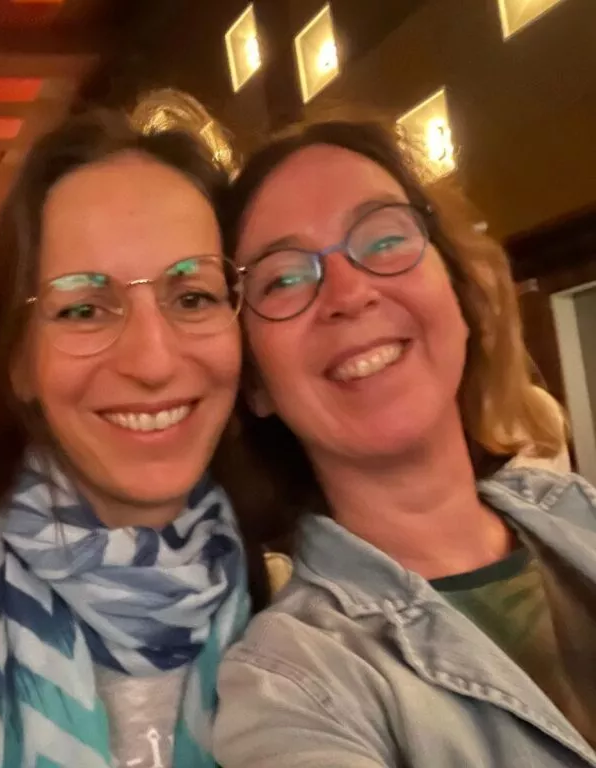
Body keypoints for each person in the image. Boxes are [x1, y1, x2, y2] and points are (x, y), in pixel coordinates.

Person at [0, 110, 261, 768]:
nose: (153, 360)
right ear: (19, 363)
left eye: (193, 297)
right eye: (83, 308)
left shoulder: (290, 589)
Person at [212, 118, 596, 767]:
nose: (349, 293)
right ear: (256, 384)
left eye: (385, 239)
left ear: (459, 294)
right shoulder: (292, 685)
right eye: (283, 279)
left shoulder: (577, 509)